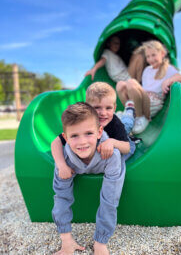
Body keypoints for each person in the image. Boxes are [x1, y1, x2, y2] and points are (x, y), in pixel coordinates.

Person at [52, 102, 125, 255]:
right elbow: (61, 198)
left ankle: (129, 111)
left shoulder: (112, 157)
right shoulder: (65, 158)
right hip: (72, 162)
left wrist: (100, 242)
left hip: (117, 146)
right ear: (66, 137)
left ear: (99, 132)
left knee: (128, 126)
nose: (82, 142)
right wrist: (66, 240)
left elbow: (109, 199)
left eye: (88, 134)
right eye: (74, 136)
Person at [51, 82, 136, 180]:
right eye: (97, 108)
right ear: (88, 107)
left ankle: (130, 109)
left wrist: (111, 142)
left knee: (127, 124)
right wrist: (61, 165)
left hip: (120, 133)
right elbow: (55, 143)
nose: (103, 113)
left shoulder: (115, 123)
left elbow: (127, 148)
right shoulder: (83, 121)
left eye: (108, 108)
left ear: (114, 108)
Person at [116, 40, 181, 134]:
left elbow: (180, 77)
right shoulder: (147, 70)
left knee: (131, 82)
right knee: (120, 85)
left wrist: (168, 81)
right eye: (148, 56)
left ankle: (140, 118)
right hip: (144, 99)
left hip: (153, 102)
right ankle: (130, 114)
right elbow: (144, 89)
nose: (151, 59)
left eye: (153, 55)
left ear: (162, 54)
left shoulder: (167, 68)